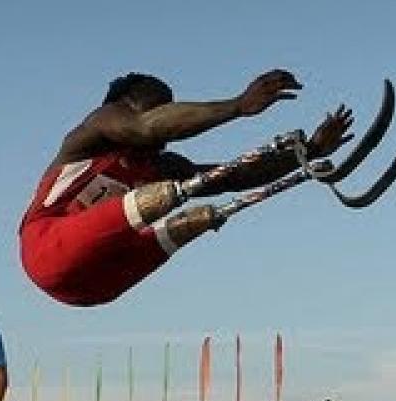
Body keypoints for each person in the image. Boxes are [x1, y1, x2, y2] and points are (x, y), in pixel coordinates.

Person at [18, 70, 353, 307]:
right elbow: (144, 128)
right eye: (159, 108)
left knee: (190, 215)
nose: (168, 119)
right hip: (47, 253)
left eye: (170, 108)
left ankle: (193, 218)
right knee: (164, 194)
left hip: (99, 287)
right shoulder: (90, 137)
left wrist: (307, 153)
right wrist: (238, 105)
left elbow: (231, 178)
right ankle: (167, 202)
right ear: (123, 106)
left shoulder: (164, 166)